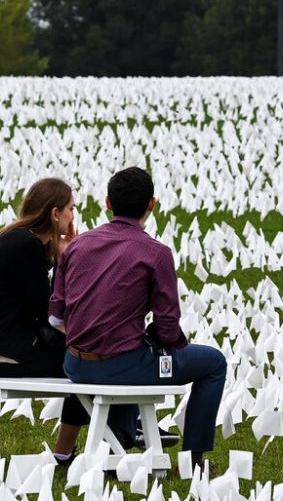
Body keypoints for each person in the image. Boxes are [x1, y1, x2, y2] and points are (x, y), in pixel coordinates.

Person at [49, 167, 227, 474]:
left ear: (107, 202)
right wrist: (161, 342)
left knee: (131, 349)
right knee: (213, 362)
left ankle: (121, 438)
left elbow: (56, 315)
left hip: (75, 364)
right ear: (152, 204)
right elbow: (168, 323)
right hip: (122, 366)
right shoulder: (156, 252)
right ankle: (193, 462)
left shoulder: (77, 246)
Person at [0, 177, 87, 465]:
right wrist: (66, 261)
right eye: (71, 210)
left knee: (84, 358)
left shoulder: (19, 241)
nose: (73, 217)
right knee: (86, 361)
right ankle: (94, 442)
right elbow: (51, 311)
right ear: (54, 214)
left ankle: (83, 444)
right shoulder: (25, 245)